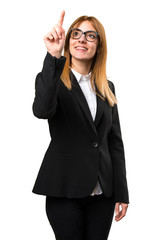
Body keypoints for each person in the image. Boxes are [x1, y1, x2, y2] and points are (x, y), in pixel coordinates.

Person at [32, 10, 129, 240]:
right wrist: (53, 58)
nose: (82, 39)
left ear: (99, 46)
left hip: (102, 194)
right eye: (76, 34)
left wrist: (122, 192)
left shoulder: (107, 87)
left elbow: (115, 143)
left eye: (90, 35)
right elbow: (42, 111)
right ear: (68, 41)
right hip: (64, 190)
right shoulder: (52, 79)